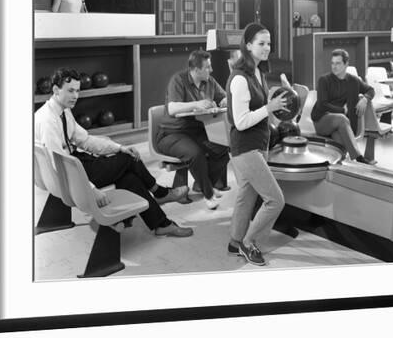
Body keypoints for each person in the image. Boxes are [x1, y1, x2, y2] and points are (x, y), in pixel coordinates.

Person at [35, 67, 193, 237]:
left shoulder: (62, 110)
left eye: (78, 91)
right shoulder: (48, 120)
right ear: (56, 90)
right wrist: (90, 189)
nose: (75, 96)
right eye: (70, 91)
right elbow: (59, 165)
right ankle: (160, 193)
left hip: (77, 164)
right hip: (73, 175)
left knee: (129, 178)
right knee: (127, 159)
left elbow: (85, 140)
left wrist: (119, 147)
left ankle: (161, 224)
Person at [226, 23, 290, 266]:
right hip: (245, 148)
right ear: (248, 45)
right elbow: (241, 122)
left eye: (269, 43)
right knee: (275, 200)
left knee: (247, 194)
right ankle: (249, 242)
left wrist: (275, 102)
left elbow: (260, 108)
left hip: (258, 144)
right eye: (261, 43)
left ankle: (235, 242)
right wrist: (268, 107)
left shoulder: (258, 72)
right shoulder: (240, 78)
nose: (267, 48)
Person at [156, 50, 230, 210]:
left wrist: (224, 101)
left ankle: (202, 184)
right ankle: (208, 194)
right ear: (196, 70)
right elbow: (172, 108)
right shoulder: (178, 80)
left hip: (195, 131)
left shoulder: (209, 81)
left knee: (223, 148)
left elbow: (223, 96)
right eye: (208, 67)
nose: (211, 70)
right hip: (171, 133)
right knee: (195, 153)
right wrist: (197, 104)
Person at [311, 49, 376, 165]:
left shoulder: (354, 81)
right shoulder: (324, 80)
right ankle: (359, 157)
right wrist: (342, 110)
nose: (334, 66)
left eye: (338, 63)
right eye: (332, 63)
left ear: (346, 64)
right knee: (342, 118)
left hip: (340, 124)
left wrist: (365, 99)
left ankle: (342, 167)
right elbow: (322, 104)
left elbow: (371, 90)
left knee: (340, 140)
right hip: (322, 121)